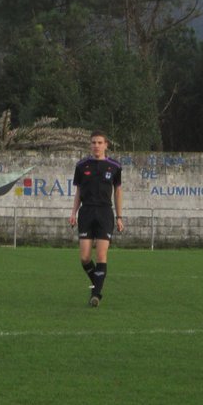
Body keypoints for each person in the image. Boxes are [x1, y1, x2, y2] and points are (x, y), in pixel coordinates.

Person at [69, 131, 124, 308]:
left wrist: (119, 216)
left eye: (100, 142)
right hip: (86, 212)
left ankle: (96, 294)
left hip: (105, 213)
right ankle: (97, 282)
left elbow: (118, 192)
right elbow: (78, 192)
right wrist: (73, 212)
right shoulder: (81, 165)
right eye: (93, 142)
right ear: (90, 145)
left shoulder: (115, 166)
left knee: (101, 255)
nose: (96, 146)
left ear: (106, 145)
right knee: (85, 257)